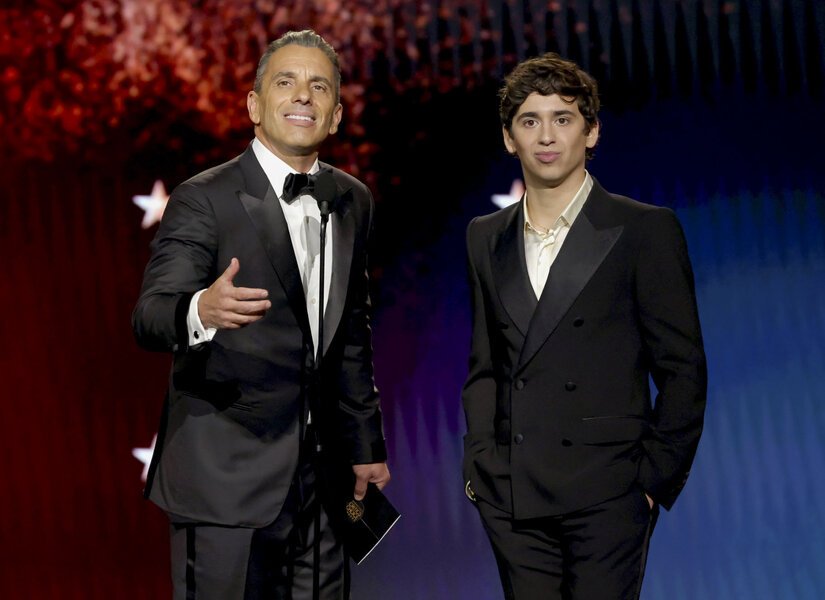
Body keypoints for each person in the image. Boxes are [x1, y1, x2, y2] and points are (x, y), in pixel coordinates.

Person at [133, 29, 390, 600]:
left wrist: (365, 444)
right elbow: (150, 315)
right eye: (285, 82)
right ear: (254, 105)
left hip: (323, 485)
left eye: (318, 86)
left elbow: (351, 332)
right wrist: (200, 309)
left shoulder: (353, 200)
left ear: (336, 115)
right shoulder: (204, 197)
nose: (302, 95)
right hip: (225, 483)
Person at [461, 52, 707, 600]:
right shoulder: (484, 236)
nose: (547, 136)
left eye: (563, 118)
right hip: (514, 495)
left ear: (591, 131)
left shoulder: (643, 229)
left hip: (609, 493)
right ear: (509, 138)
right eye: (530, 120)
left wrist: (650, 484)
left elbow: (683, 369)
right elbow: (486, 365)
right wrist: (481, 469)